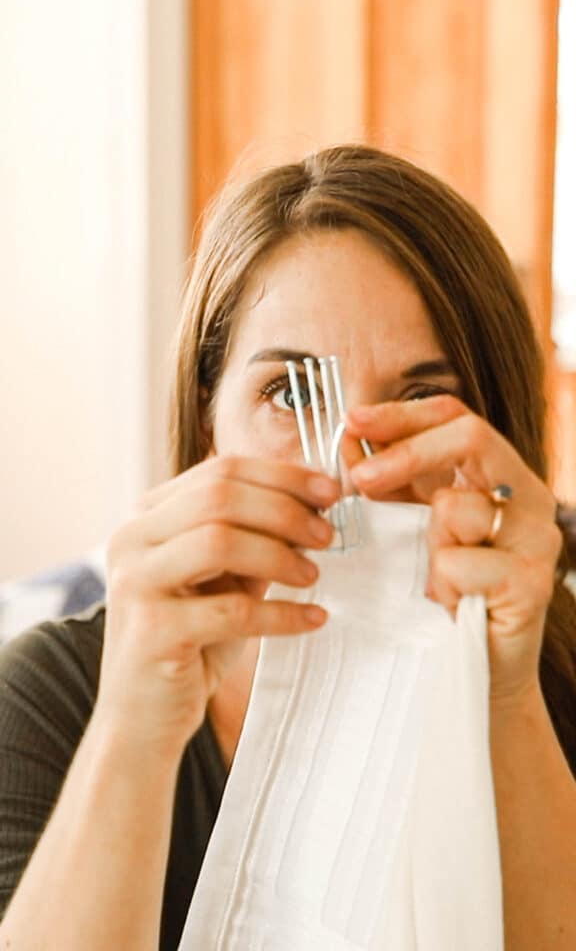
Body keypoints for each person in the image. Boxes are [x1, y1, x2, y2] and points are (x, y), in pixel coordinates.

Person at [0, 144, 575, 950]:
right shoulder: (49, 699)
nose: (348, 466)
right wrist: (136, 726)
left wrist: (507, 699)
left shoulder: (554, 681)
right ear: (210, 424)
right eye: (291, 393)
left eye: (423, 399)